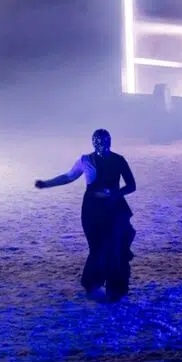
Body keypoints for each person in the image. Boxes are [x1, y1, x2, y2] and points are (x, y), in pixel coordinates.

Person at [35, 129, 136, 301]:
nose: (102, 144)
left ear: (110, 141)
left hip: (114, 210)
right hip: (92, 211)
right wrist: (47, 184)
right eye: (99, 141)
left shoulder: (119, 160)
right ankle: (93, 285)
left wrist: (114, 194)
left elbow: (131, 185)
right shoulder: (85, 160)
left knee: (114, 248)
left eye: (105, 141)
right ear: (93, 143)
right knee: (97, 247)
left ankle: (114, 289)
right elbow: (68, 177)